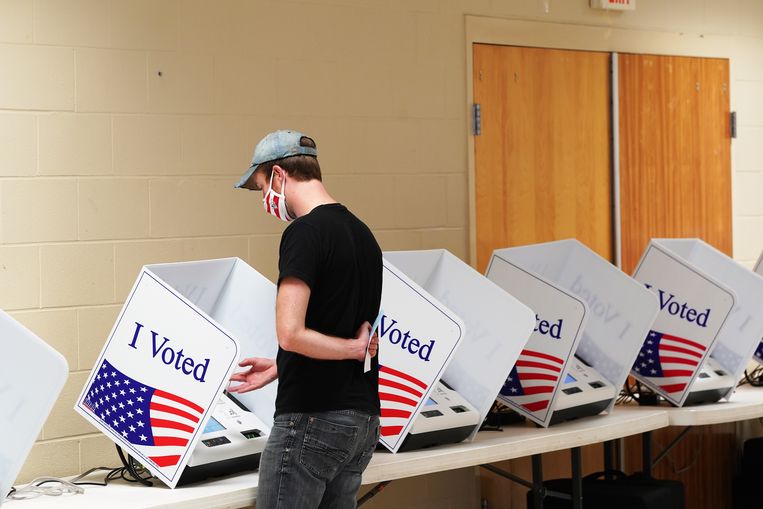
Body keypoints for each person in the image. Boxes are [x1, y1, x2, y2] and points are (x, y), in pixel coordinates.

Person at [229, 129, 382, 509]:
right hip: (361, 422)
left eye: (263, 186)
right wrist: (283, 366)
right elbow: (331, 321)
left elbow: (291, 332)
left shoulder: (304, 232)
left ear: (279, 175)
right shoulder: (363, 234)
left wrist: (351, 349)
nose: (266, 199)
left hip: (312, 419)